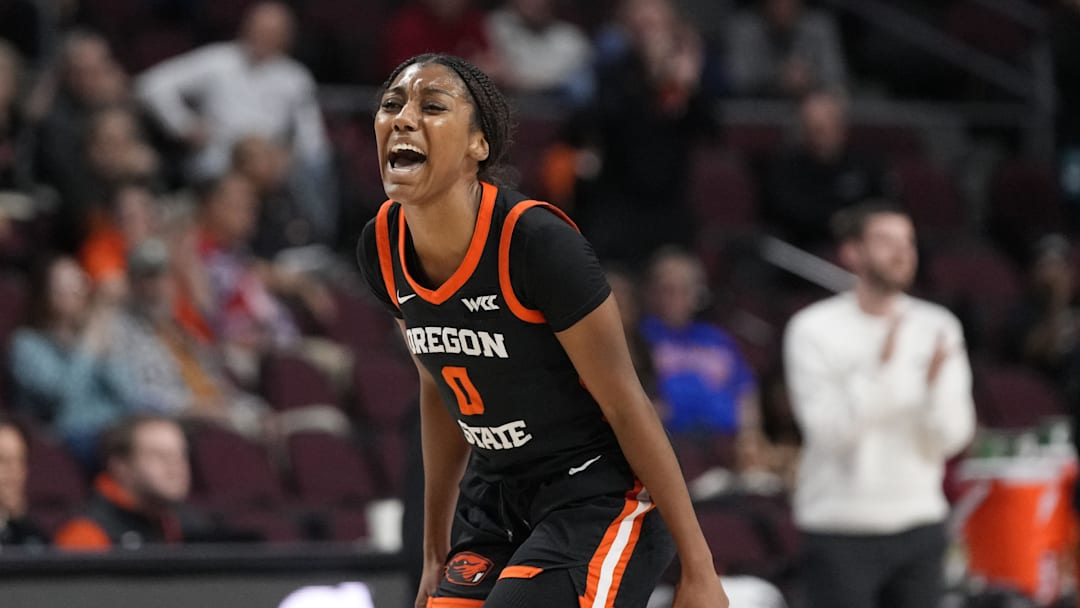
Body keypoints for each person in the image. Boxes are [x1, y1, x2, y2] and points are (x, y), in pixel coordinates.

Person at [357, 53, 727, 608]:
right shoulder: (381, 247)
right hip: (496, 495)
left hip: (597, 493)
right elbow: (438, 387)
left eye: (431, 106)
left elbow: (627, 402)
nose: (403, 118)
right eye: (392, 104)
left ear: (478, 146)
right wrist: (435, 548)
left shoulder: (535, 243)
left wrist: (699, 569)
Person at [783, 201, 976, 608]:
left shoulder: (938, 326)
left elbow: (953, 435)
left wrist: (930, 397)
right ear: (851, 252)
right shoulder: (813, 329)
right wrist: (886, 373)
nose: (902, 251)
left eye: (908, 240)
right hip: (840, 527)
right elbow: (830, 432)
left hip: (920, 522)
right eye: (885, 240)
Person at [134, 1, 336, 244]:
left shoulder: (295, 78)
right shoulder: (217, 62)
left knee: (315, 176)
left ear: (287, 38)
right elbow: (151, 86)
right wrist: (183, 125)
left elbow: (313, 143)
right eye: (258, 29)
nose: (263, 38)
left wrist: (287, 160)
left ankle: (321, 243)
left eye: (273, 33)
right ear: (245, 28)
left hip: (267, 179)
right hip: (214, 170)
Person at [9, 255, 135, 468]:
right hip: (69, 436)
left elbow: (129, 394)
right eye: (64, 287)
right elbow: (63, 399)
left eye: (79, 284)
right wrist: (87, 350)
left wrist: (109, 354)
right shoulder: (26, 344)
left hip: (116, 428)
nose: (75, 293)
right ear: (44, 294)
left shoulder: (92, 335)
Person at [53, 415, 199, 549]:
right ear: (121, 466)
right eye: (159, 456)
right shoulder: (85, 533)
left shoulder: (187, 524)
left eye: (181, 455)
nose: (176, 467)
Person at [766, 90, 888, 251]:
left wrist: (856, 222)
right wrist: (833, 220)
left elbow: (886, 205)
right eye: (814, 127)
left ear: (842, 126)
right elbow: (787, 212)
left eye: (829, 124)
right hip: (806, 252)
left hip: (866, 244)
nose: (821, 135)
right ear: (803, 129)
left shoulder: (866, 164)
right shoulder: (785, 168)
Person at [726, 0, 847, 98]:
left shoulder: (819, 26)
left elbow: (835, 77)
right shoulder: (744, 29)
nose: (783, 4)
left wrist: (809, 79)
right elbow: (737, 80)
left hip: (811, 105)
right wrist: (778, 79)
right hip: (756, 111)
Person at [0, 417, 49, 548]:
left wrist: (20, 520)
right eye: (3, 460)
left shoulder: (30, 532)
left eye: (20, 461)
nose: (14, 471)